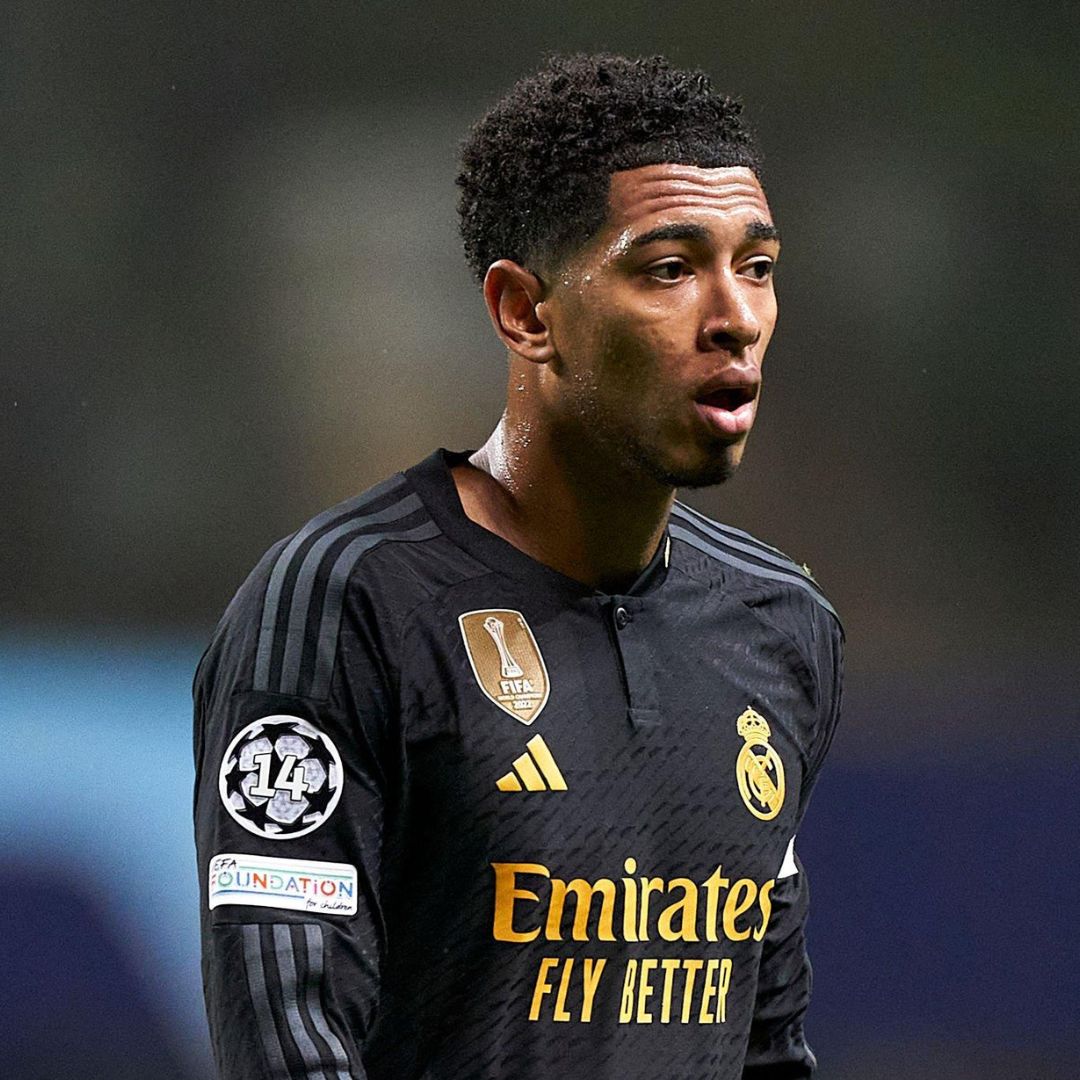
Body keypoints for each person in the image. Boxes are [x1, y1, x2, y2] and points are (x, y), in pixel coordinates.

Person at [193, 53, 843, 1080]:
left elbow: (765, 1045)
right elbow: (289, 1045)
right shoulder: (346, 605)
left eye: (755, 266)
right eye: (669, 269)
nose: (736, 318)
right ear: (525, 312)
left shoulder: (779, 623)